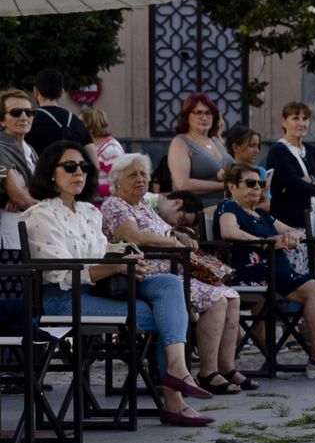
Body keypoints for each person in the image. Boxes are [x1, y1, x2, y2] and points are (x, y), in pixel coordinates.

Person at [22, 141, 214, 426]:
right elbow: (60, 274)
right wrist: (115, 265)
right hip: (64, 299)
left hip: (101, 287)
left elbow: (102, 250)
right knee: (168, 318)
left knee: (170, 285)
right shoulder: (40, 216)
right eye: (70, 167)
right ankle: (174, 401)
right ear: (51, 172)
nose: (79, 173)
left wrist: (127, 256)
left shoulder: (89, 212)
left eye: (84, 167)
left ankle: (177, 369)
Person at [100, 152, 247, 395]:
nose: (140, 179)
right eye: (133, 175)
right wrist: (174, 245)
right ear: (117, 181)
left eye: (144, 174)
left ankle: (226, 367)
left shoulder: (144, 205)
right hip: (144, 276)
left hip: (175, 273)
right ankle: (207, 372)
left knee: (232, 296)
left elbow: (165, 231)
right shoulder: (115, 205)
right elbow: (134, 237)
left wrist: (179, 235)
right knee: (216, 299)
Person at [217, 163, 315, 378]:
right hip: (251, 272)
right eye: (250, 183)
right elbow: (228, 232)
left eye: (260, 184)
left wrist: (293, 235)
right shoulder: (229, 207)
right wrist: (263, 241)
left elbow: (292, 231)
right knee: (314, 288)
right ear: (232, 186)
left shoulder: (262, 214)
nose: (256, 188)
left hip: (280, 271)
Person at [265, 101, 315, 231]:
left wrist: (313, 179)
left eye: (305, 119)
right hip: (291, 220)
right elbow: (293, 183)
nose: (301, 124)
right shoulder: (278, 151)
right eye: (295, 118)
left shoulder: (310, 149)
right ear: (284, 122)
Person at [168, 93, 231, 206]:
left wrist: (228, 175)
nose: (204, 117)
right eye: (198, 113)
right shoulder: (180, 142)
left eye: (208, 113)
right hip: (199, 210)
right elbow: (182, 184)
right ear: (187, 116)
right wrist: (225, 185)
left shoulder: (216, 141)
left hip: (227, 205)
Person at [24, 69, 94, 166]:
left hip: (40, 178)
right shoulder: (76, 121)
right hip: (72, 177)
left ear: (35, 91)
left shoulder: (26, 120)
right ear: (61, 92)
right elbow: (94, 163)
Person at [0, 88, 40, 250]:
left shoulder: (30, 150)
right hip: (8, 231)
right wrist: (47, 204)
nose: (24, 117)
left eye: (29, 112)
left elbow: (45, 188)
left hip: (32, 229)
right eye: (16, 112)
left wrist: (29, 194)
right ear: (2, 120)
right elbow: (19, 198)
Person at [82, 108, 123, 199]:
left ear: (91, 127)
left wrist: (86, 188)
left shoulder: (112, 149)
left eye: (80, 124)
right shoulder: (91, 146)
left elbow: (116, 184)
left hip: (103, 204)